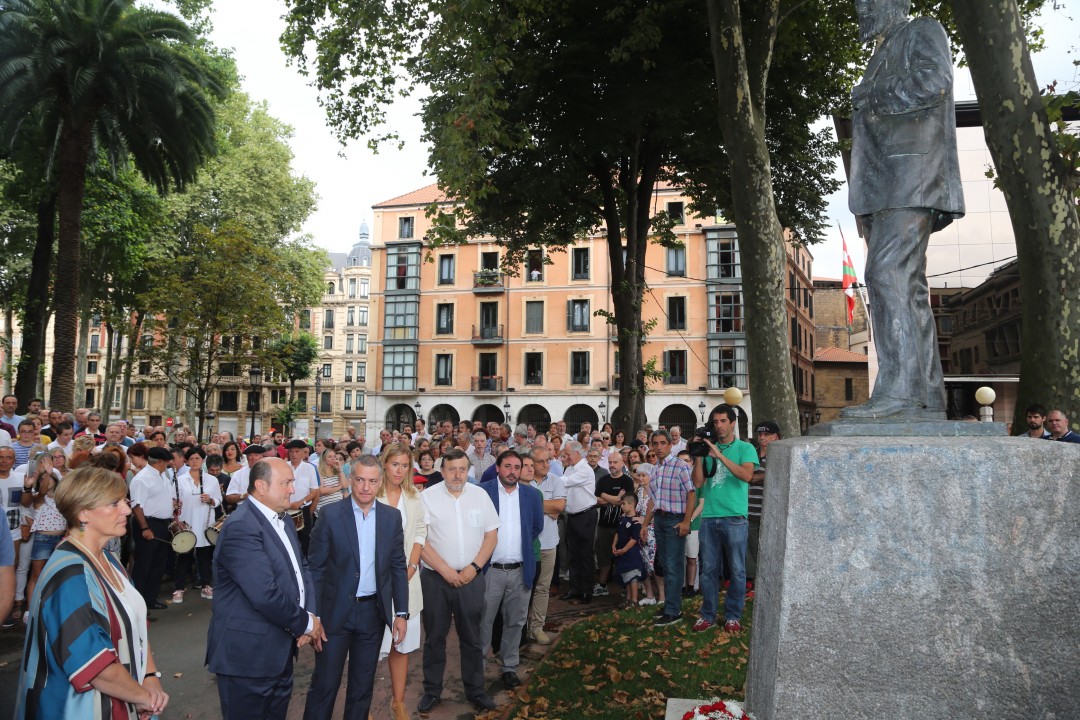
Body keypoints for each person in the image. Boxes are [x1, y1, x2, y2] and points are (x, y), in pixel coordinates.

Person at [843, 0, 964, 419]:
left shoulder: (921, 30)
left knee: (886, 273)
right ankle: (924, 396)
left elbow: (935, 82)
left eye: (868, 2)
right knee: (907, 287)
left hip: (910, 178)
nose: (862, 10)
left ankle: (900, 391)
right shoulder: (883, 49)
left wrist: (871, 94)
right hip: (885, 188)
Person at [15, 466, 168, 720]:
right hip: (78, 708)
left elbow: (136, 627)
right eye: (114, 503)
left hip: (124, 696)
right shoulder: (69, 574)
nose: (127, 509)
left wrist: (150, 676)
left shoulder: (110, 559)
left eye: (125, 500)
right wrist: (144, 697)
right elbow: (93, 665)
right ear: (82, 513)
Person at [207, 458, 326, 720]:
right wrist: (307, 623)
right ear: (261, 486)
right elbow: (264, 593)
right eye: (286, 483)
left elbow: (302, 570)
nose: (292, 490)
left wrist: (310, 614)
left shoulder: (283, 520)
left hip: (278, 652)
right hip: (248, 658)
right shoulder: (241, 526)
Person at [303, 455, 409, 720]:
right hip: (333, 614)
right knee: (325, 685)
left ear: (380, 482)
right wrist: (313, 615)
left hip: (372, 614)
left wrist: (402, 613)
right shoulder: (330, 515)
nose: (365, 487)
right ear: (350, 479)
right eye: (360, 479)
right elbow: (315, 569)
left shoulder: (391, 518)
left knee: (362, 688)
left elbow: (398, 566)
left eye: (372, 481)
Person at [417, 449, 500, 714]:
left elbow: (491, 535)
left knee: (472, 638)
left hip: (471, 578)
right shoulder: (427, 497)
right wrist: (445, 570)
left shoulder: (480, 496)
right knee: (434, 638)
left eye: (462, 469)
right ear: (442, 471)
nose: (457, 475)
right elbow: (420, 540)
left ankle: (476, 690)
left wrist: (474, 568)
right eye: (451, 469)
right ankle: (432, 690)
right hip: (435, 580)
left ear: (468, 470)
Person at [479, 450, 544, 690]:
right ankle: (477, 669)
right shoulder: (482, 492)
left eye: (517, 467)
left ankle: (509, 667)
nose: (512, 471)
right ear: (498, 468)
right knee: (483, 622)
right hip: (489, 570)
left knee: (516, 622)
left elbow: (536, 527)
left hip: (520, 570)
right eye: (507, 466)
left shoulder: (531, 495)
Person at [692, 406, 758, 633]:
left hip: (735, 517)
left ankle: (733, 616)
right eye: (715, 422)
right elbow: (698, 483)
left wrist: (719, 455)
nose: (719, 426)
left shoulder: (744, 448)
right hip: (710, 517)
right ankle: (707, 615)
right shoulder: (708, 448)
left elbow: (747, 475)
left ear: (732, 423)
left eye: (722, 421)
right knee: (708, 570)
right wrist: (699, 455)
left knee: (737, 570)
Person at [375, 444, 427, 720]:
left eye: (405, 465)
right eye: (395, 464)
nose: (399, 470)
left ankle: (398, 703)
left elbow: (420, 531)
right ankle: (362, 706)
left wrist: (412, 565)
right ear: (384, 464)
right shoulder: (372, 492)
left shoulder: (414, 496)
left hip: (407, 580)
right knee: (370, 647)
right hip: (375, 582)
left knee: (401, 644)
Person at [645, 430, 696, 626]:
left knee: (674, 565)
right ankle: (669, 605)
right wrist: (645, 524)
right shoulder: (655, 469)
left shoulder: (680, 466)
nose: (658, 447)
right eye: (655, 443)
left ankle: (674, 611)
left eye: (662, 443)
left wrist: (686, 521)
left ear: (669, 445)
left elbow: (691, 493)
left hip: (675, 519)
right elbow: (653, 499)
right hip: (659, 519)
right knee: (666, 565)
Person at [128, 446, 176, 611]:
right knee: (144, 565)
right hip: (148, 524)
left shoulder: (162, 476)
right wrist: (144, 528)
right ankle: (138, 604)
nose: (169, 465)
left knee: (158, 564)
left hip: (163, 524)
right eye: (167, 462)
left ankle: (150, 599)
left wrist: (173, 504)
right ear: (160, 462)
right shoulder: (142, 479)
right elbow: (137, 507)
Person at [526, 446, 565, 644]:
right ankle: (521, 627)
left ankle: (537, 628)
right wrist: (548, 507)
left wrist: (533, 505)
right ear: (531, 463)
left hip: (549, 543)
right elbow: (521, 506)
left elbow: (559, 506)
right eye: (541, 461)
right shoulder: (524, 481)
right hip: (526, 545)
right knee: (525, 588)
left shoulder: (556, 481)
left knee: (543, 588)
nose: (546, 464)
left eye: (547, 460)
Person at [172, 447, 221, 603]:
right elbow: (173, 500)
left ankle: (206, 585)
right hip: (187, 522)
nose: (194, 461)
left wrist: (210, 500)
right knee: (184, 556)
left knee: (204, 556)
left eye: (197, 458)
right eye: (191, 458)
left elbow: (218, 500)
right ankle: (179, 588)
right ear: (187, 461)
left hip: (204, 522)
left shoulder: (211, 480)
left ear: (203, 460)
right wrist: (175, 505)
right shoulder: (180, 480)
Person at [559, 440, 597, 604]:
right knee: (573, 554)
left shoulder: (585, 470)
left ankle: (587, 590)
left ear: (577, 453)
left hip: (586, 515)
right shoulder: (569, 468)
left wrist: (547, 476)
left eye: (567, 454)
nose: (565, 457)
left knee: (586, 554)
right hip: (572, 516)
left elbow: (565, 482)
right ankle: (575, 588)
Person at [593, 451, 634, 598]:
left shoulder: (627, 481)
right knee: (603, 556)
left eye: (615, 462)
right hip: (604, 524)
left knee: (623, 556)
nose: (612, 465)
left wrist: (604, 495)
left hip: (622, 525)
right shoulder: (603, 480)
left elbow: (625, 502)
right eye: (610, 462)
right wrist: (614, 499)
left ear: (622, 463)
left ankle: (625, 587)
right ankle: (602, 585)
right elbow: (596, 499)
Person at [747, 420, 781, 596]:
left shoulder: (779, 456)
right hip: (749, 511)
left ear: (775, 437)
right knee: (752, 549)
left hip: (770, 513)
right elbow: (747, 475)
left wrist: (753, 476)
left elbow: (772, 476)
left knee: (769, 550)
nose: (762, 438)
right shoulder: (752, 454)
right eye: (760, 434)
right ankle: (755, 584)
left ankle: (769, 584)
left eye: (766, 434)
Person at [613, 494, 646, 606]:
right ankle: (628, 598)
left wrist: (624, 549)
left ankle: (634, 600)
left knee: (632, 576)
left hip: (631, 554)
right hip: (622, 553)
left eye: (624, 504)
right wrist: (614, 544)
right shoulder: (622, 518)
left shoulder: (635, 521)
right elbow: (617, 533)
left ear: (631, 505)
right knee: (625, 575)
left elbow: (634, 539)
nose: (621, 506)